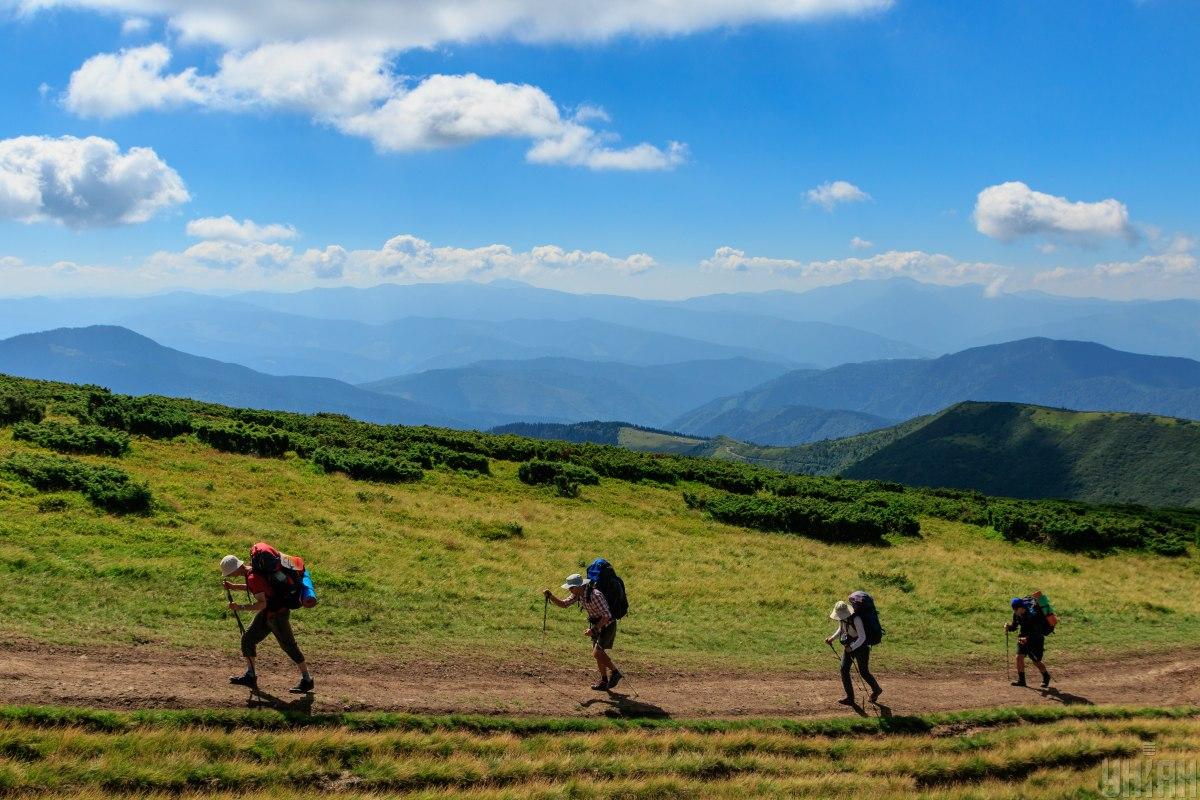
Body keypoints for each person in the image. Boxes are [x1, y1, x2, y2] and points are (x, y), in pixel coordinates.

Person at [220, 552, 314, 694]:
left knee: (289, 646)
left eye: (230, 574)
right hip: (269, 613)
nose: (230, 576)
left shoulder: (252, 576)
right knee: (248, 639)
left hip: (277, 615)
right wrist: (234, 586)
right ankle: (250, 675)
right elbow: (256, 588)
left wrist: (239, 607)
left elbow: (262, 603)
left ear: (235, 569)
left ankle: (307, 680)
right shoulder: (253, 570)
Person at [544, 573, 624, 691]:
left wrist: (594, 630)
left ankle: (615, 672)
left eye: (571, 587)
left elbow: (607, 616)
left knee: (597, 653)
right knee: (598, 655)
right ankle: (604, 681)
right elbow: (564, 604)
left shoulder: (596, 595)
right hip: (596, 624)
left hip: (607, 625)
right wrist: (551, 596)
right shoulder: (579, 594)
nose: (570, 590)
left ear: (579, 586)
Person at [825, 599, 883, 706]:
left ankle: (876, 689)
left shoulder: (856, 619)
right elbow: (841, 629)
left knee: (863, 672)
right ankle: (850, 698)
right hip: (849, 646)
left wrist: (851, 647)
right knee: (844, 669)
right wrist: (832, 638)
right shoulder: (842, 619)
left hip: (862, 648)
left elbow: (862, 637)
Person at [1006, 597, 1052, 688]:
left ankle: (1046, 676)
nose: (1014, 611)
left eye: (1015, 609)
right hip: (1023, 637)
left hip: (1036, 639)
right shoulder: (1016, 614)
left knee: (1036, 661)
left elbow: (1037, 631)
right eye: (1013, 609)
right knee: (1019, 657)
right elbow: (1015, 626)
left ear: (1021, 607)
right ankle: (1021, 681)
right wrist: (1008, 627)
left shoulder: (1033, 615)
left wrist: (1027, 638)